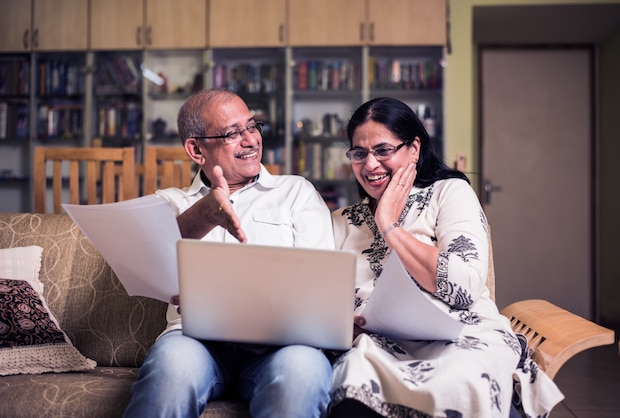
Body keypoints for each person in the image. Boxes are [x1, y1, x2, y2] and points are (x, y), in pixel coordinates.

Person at [327, 97, 564, 417]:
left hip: (460, 335)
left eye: (383, 150)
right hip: (376, 346)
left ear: (414, 149)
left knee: (462, 376)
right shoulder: (341, 220)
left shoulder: (449, 193)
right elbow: (321, 297)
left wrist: (390, 227)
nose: (370, 165)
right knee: (353, 375)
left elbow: (463, 287)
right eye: (359, 153)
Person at [124, 88, 335, 418]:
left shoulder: (296, 192)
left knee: (303, 373)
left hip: (283, 344)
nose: (251, 140)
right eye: (233, 133)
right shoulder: (170, 202)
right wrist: (204, 214)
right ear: (196, 149)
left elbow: (323, 282)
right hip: (195, 341)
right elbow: (144, 261)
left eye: (252, 126)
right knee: (171, 370)